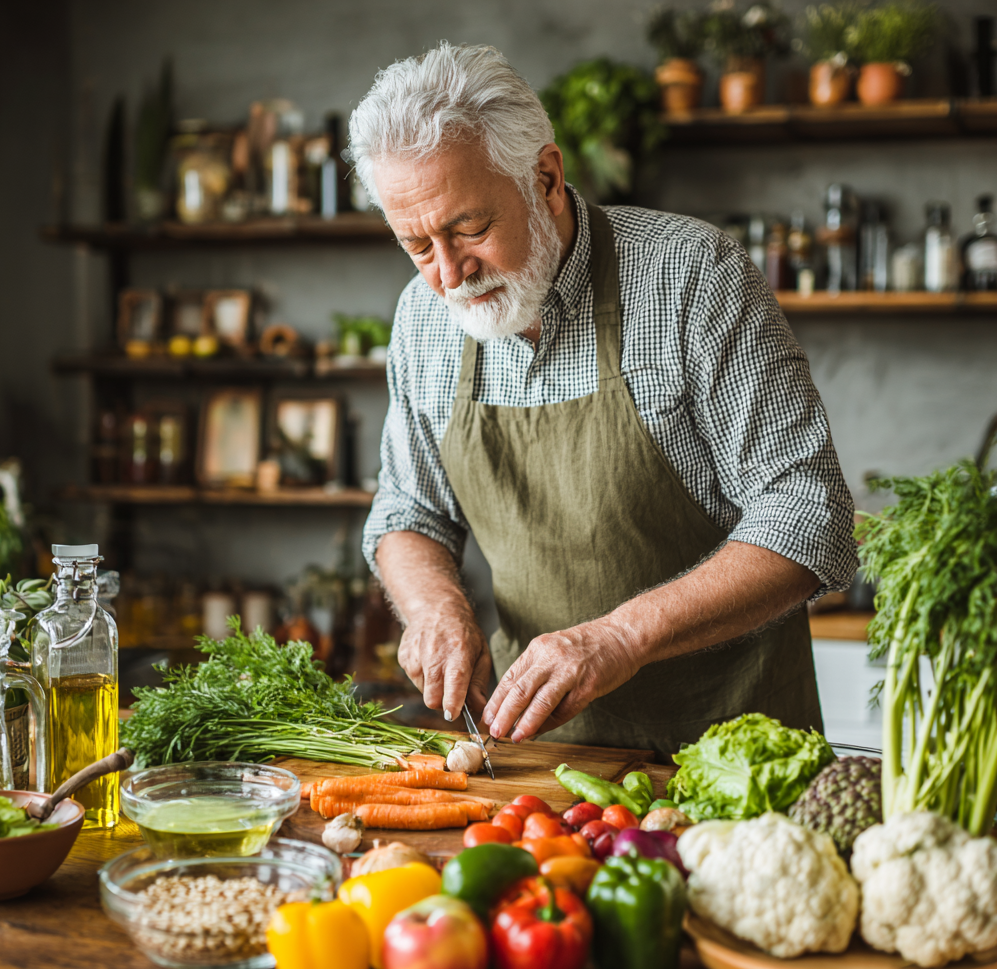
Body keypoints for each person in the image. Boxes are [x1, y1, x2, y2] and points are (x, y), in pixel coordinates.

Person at [348, 43, 857, 760]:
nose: (450, 274)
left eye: (470, 229)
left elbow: (809, 513)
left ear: (546, 178)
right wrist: (434, 607)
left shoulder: (690, 277)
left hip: (735, 752)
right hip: (542, 756)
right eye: (417, 245)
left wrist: (621, 637)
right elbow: (408, 511)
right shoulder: (421, 319)